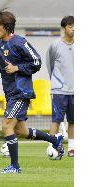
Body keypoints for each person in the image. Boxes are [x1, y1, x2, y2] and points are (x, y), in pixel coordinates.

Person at [0, 10, 64, 174]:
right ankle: (55, 140)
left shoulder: (20, 43)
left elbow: (36, 61)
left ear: (7, 26)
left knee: (6, 125)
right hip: (10, 93)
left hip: (21, 92)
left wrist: (18, 68)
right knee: (21, 131)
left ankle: (15, 166)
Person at [46, 16, 74, 157]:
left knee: (73, 121)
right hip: (59, 90)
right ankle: (52, 147)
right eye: (70, 26)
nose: (73, 29)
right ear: (64, 28)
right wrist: (55, 83)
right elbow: (49, 65)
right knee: (56, 120)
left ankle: (72, 148)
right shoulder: (55, 45)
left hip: (75, 90)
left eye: (75, 26)